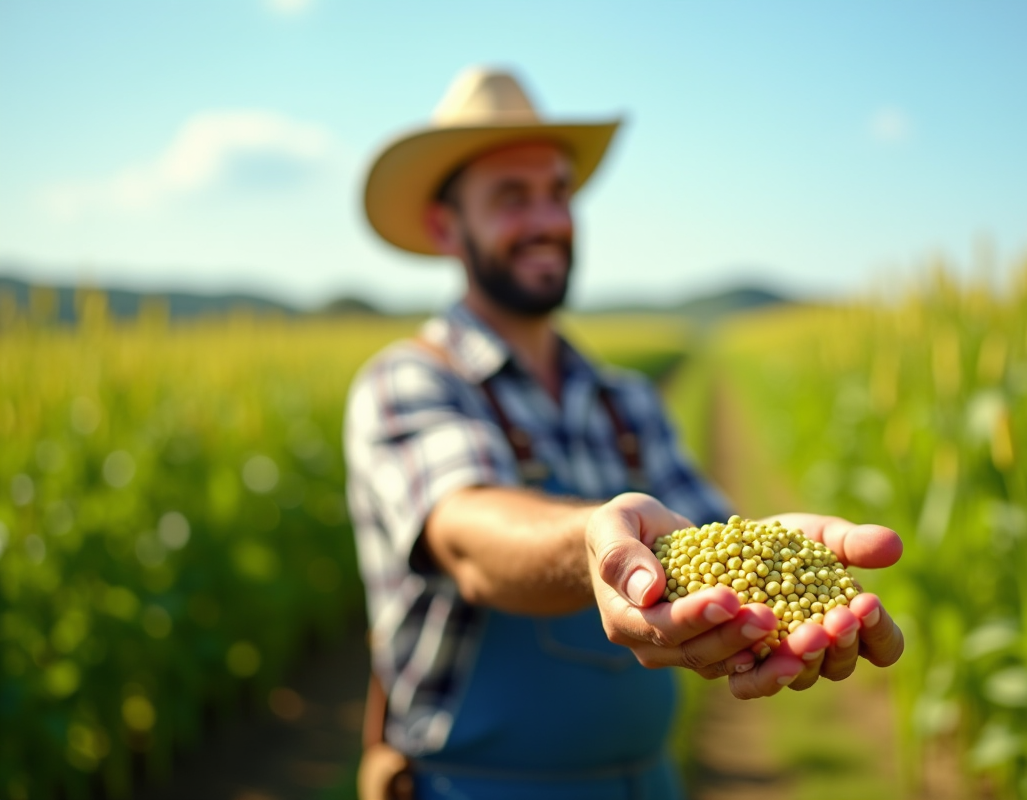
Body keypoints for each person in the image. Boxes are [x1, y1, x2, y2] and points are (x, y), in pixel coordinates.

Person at [344, 66, 905, 800]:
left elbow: (708, 537)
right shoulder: (410, 382)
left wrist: (774, 566)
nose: (546, 219)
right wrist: (595, 544)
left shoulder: (625, 401)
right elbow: (469, 535)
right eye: (511, 197)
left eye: (557, 193)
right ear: (446, 227)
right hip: (473, 785)